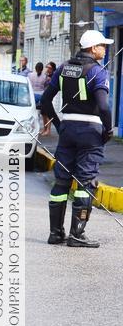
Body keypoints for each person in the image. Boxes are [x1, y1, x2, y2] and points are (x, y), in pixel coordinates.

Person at [40, 29, 114, 248]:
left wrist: (59, 125)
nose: (105, 48)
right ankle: (76, 235)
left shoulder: (63, 68)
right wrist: (108, 130)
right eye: (102, 45)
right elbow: (103, 106)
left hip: (68, 130)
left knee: (61, 181)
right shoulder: (98, 72)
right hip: (90, 132)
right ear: (92, 48)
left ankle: (55, 233)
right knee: (85, 182)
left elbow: (45, 102)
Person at [40, 62, 57, 136]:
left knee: (48, 113)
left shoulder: (54, 76)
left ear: (53, 69)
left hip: (49, 96)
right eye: (47, 67)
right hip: (43, 95)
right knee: (43, 113)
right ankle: (44, 128)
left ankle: (48, 130)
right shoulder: (45, 75)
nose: (48, 69)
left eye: (49, 68)